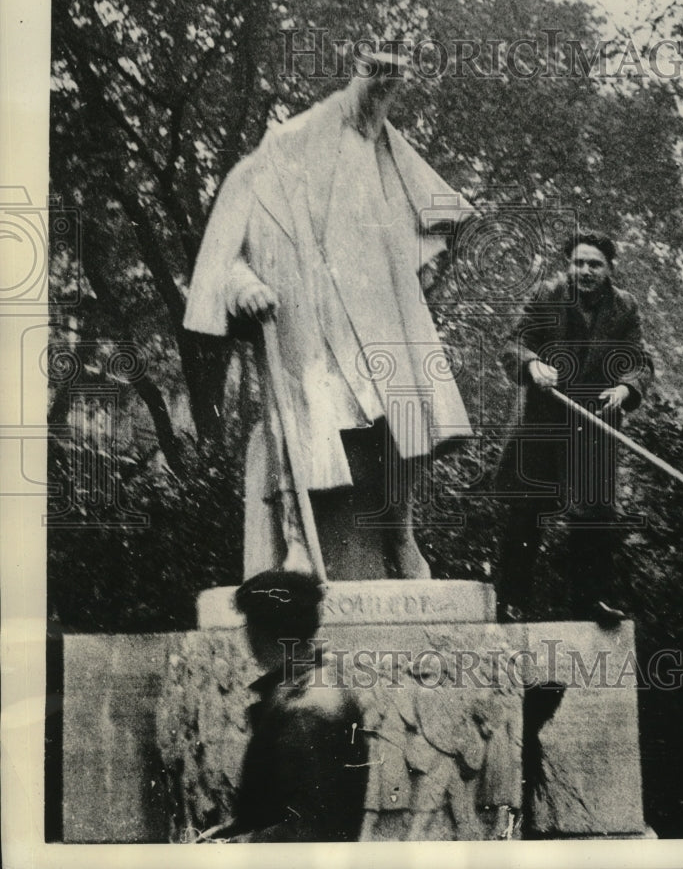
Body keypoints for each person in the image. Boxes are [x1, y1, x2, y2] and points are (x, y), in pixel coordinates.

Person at [183, 48, 473, 580]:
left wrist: (376, 83)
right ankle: (296, 541)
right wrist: (244, 287)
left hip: (365, 328)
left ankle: (401, 536)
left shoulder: (354, 160)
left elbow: (365, 113)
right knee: (295, 432)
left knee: (402, 413)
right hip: (301, 337)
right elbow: (224, 261)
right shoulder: (250, 178)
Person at [495, 231, 654, 624]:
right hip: (544, 422)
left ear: (610, 268)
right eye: (579, 262)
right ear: (569, 265)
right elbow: (514, 343)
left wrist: (625, 386)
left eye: (594, 264)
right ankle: (511, 601)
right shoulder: (547, 295)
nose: (585, 271)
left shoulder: (625, 307)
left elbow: (639, 361)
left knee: (593, 518)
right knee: (526, 512)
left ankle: (590, 604)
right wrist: (532, 364)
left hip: (595, 427)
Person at [197, 570, 369, 843]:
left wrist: (230, 848)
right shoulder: (299, 692)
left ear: (258, 631)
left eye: (248, 624)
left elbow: (309, 830)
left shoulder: (306, 707)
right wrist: (229, 832)